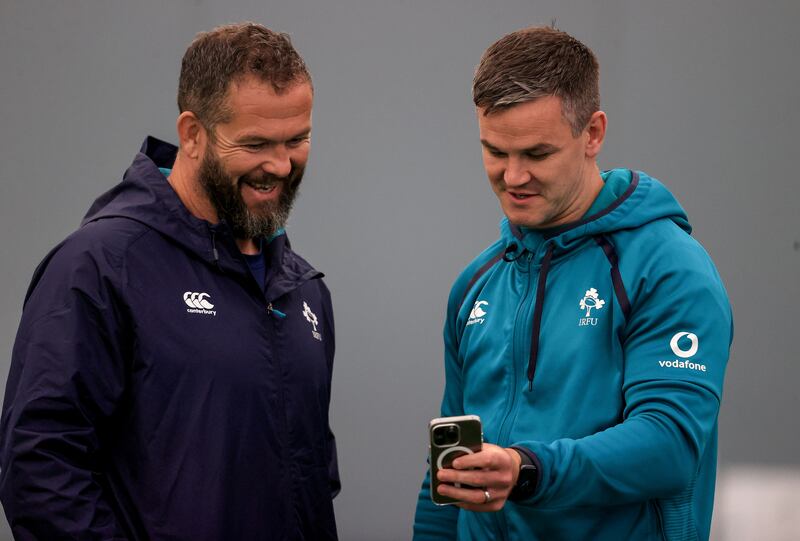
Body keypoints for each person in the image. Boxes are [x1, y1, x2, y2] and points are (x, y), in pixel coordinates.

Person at [0, 23, 339, 540]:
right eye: (255, 143)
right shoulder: (99, 267)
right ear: (192, 134)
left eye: (298, 139)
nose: (281, 164)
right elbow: (39, 471)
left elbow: (311, 483)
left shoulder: (302, 289)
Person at [413, 26, 732, 541]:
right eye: (495, 151)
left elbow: (671, 446)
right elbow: (448, 476)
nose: (513, 177)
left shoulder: (669, 269)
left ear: (593, 133)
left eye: (537, 154)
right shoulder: (476, 284)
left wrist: (528, 469)